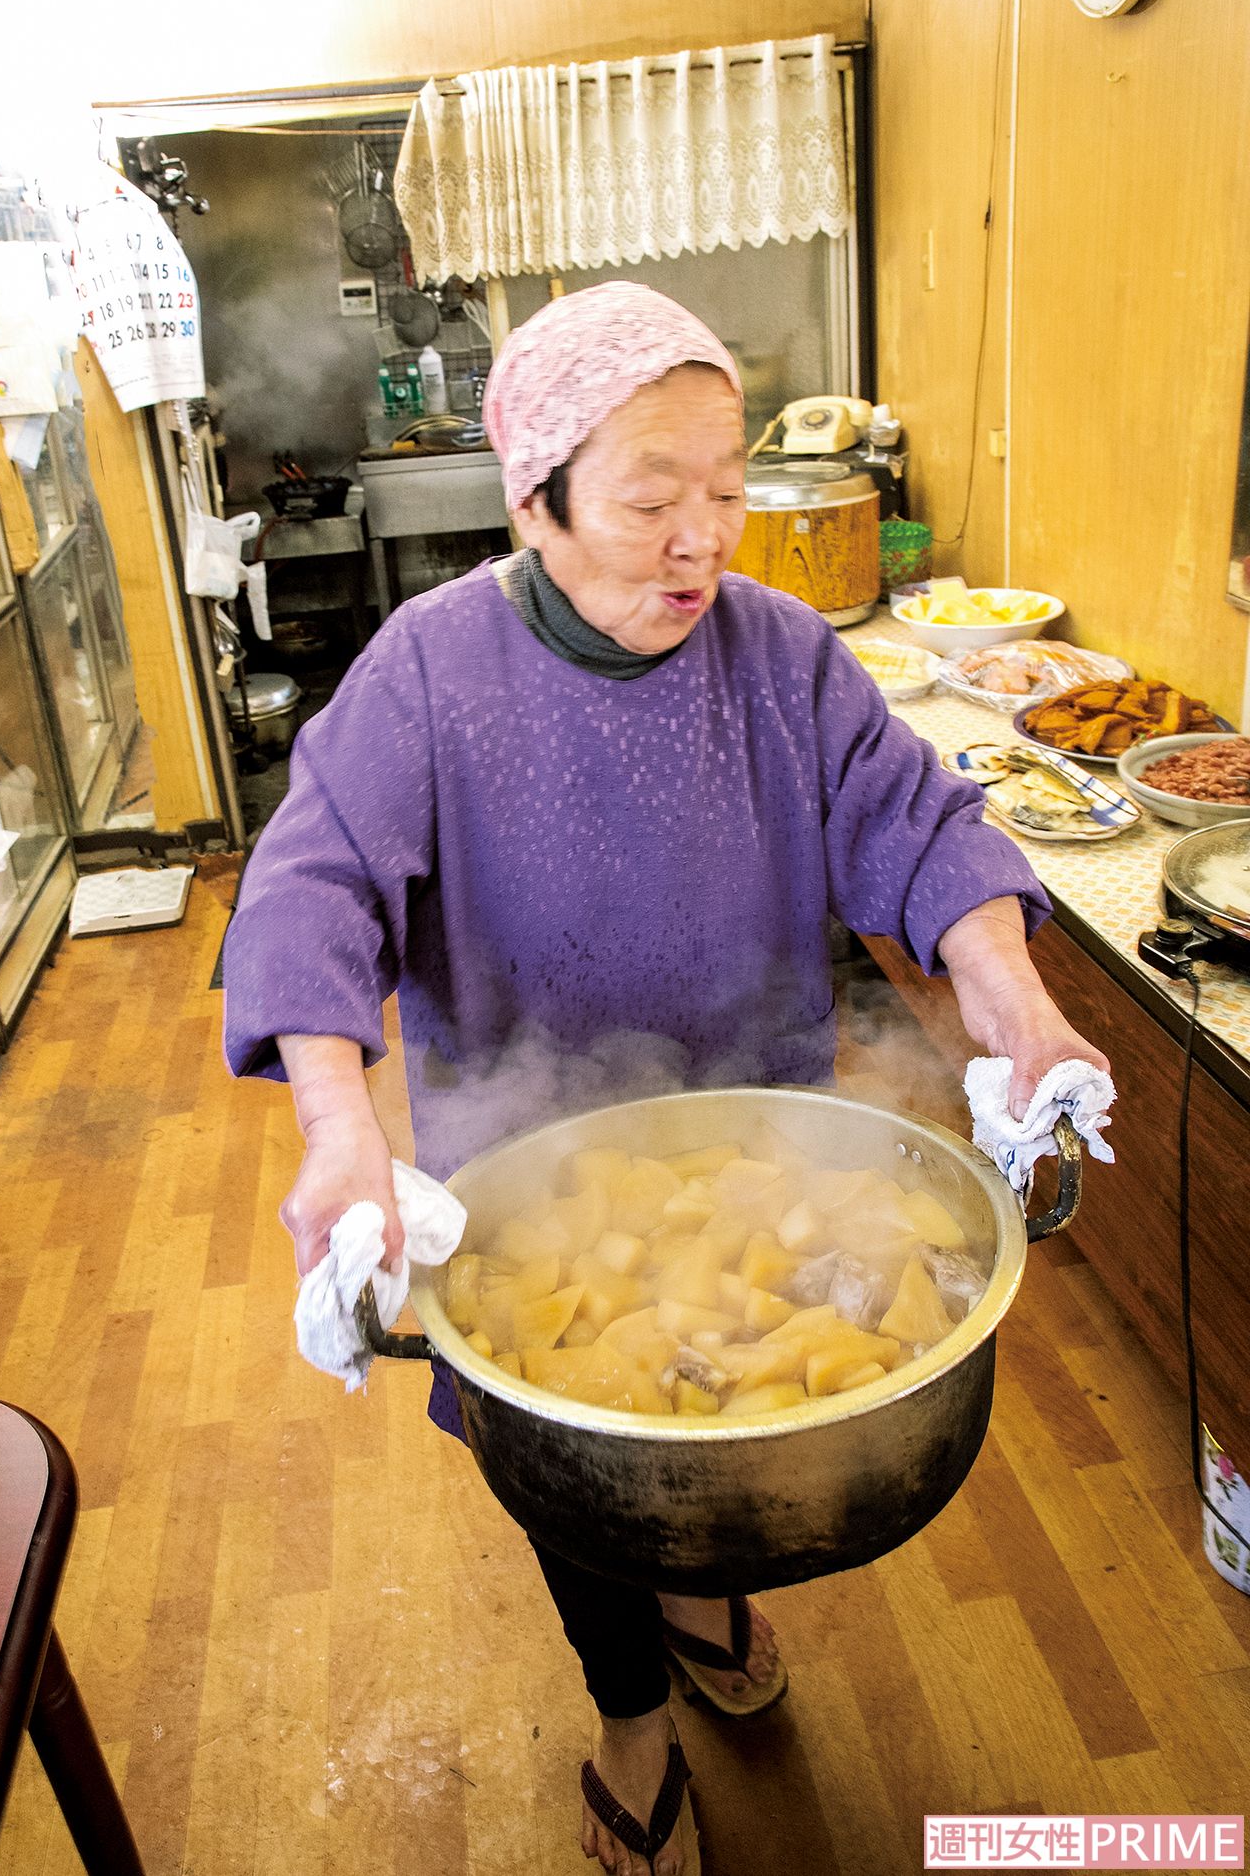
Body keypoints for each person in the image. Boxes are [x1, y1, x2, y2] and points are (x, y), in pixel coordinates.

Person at [224, 282, 1109, 1876]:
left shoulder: (782, 656)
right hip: (531, 1164)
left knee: (722, 1416)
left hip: (758, 1139)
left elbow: (914, 820)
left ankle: (699, 1594)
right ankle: (630, 1703)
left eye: (727, 494)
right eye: (651, 501)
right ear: (536, 495)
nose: (706, 542)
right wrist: (340, 1131)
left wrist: (1021, 1013)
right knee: (572, 1472)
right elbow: (314, 886)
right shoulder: (431, 670)